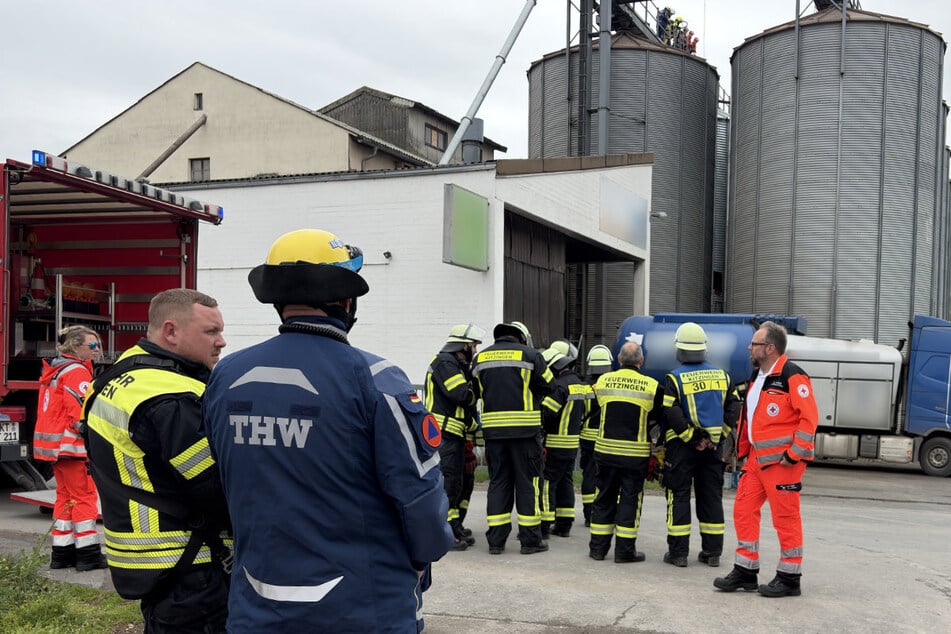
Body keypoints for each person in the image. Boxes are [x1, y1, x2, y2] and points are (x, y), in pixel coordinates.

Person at [202, 228, 453, 632]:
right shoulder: (377, 378)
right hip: (364, 609)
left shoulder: (226, 376)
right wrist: (425, 555)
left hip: (256, 604)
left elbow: (224, 477)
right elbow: (420, 497)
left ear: (278, 301)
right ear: (346, 301)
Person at [83, 288, 231, 633]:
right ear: (171, 331)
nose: (221, 341)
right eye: (211, 331)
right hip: (192, 564)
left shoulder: (122, 375)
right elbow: (217, 488)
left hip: (155, 564)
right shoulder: (170, 397)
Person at [714, 321, 819, 598]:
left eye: (755, 344)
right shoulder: (757, 376)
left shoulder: (792, 376)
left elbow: (809, 419)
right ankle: (746, 571)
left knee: (786, 518)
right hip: (756, 460)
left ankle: (789, 578)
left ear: (770, 348)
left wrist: (794, 454)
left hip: (783, 463)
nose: (750, 347)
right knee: (743, 510)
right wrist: (742, 451)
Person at [471, 321, 562, 555]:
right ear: (521, 338)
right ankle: (530, 541)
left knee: (498, 483)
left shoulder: (480, 358)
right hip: (525, 433)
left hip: (494, 434)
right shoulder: (530, 355)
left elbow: (476, 391)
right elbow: (550, 386)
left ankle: (496, 542)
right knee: (527, 483)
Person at [661, 322, 741, 568]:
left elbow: (670, 411)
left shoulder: (674, 378)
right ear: (704, 348)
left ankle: (678, 554)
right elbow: (734, 406)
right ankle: (712, 553)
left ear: (679, 349)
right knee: (711, 498)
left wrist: (692, 438)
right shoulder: (723, 376)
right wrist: (719, 436)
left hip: (683, 449)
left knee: (679, 496)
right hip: (713, 450)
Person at [33, 324, 107, 571]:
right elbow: (81, 414)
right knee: (84, 497)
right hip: (72, 448)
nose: (97, 350)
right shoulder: (76, 372)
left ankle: (62, 554)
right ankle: (88, 555)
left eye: (98, 345)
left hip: (55, 448)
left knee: (65, 499)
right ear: (76, 347)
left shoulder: (56, 370)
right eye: (92, 345)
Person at [589, 341, 664, 563]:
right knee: (630, 500)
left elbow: (595, 410)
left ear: (619, 360)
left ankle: (597, 549)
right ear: (641, 361)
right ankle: (624, 551)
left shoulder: (603, 381)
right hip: (634, 455)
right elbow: (660, 417)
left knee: (603, 498)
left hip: (605, 451)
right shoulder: (652, 386)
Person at [425, 322, 485, 550]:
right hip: (444, 434)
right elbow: (461, 394)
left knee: (457, 482)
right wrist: (477, 387)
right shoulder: (445, 363)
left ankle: (453, 526)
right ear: (463, 345)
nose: (475, 351)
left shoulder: (455, 365)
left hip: (453, 434)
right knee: (448, 483)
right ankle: (444, 533)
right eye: (473, 346)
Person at [540, 343, 585, 539]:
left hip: (555, 443)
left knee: (547, 483)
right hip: (572, 443)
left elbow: (547, 414)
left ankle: (544, 525)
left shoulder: (558, 386)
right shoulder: (578, 383)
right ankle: (564, 524)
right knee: (566, 482)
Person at [579, 345, 614, 526]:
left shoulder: (584, 389)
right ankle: (607, 512)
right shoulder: (612, 387)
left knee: (589, 474)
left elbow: (580, 415)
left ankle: (589, 514)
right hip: (607, 437)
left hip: (587, 438)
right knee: (609, 476)